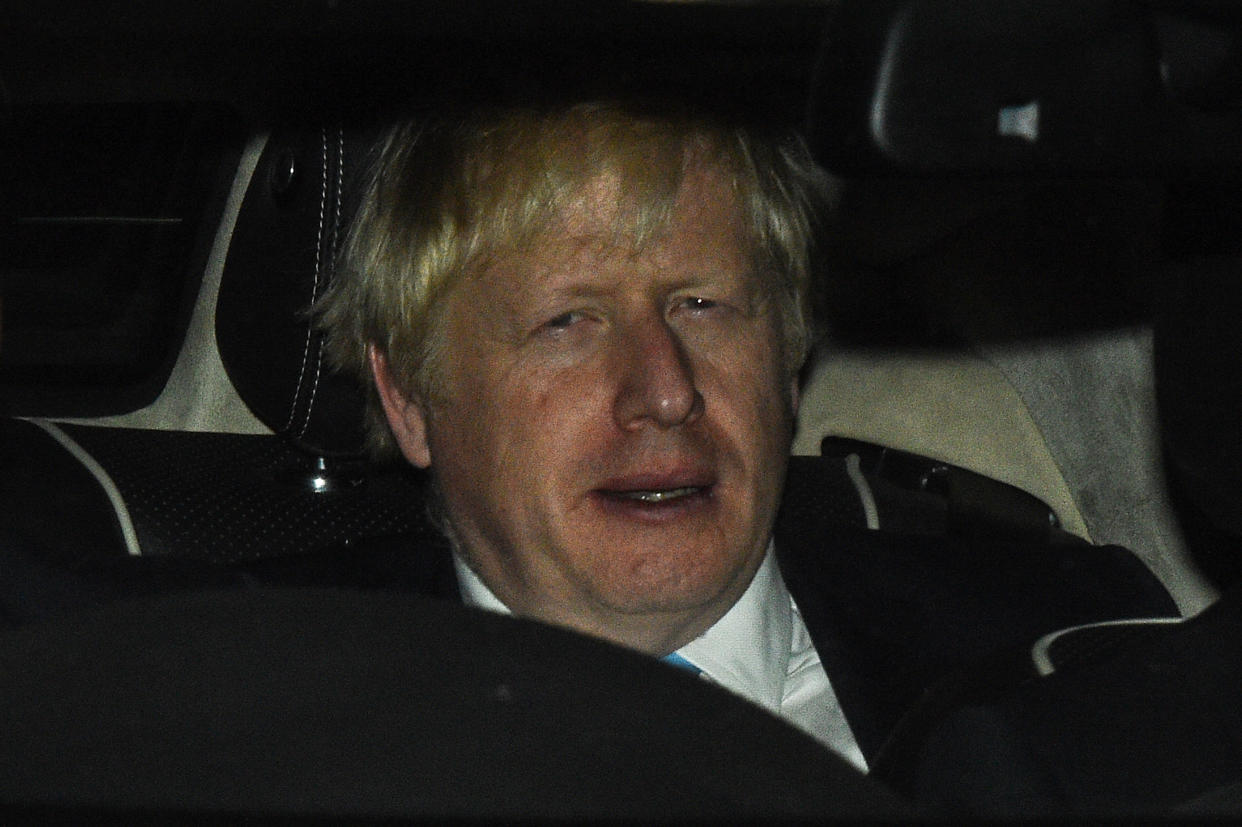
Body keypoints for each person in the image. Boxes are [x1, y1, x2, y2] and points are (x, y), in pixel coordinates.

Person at [309, 100, 1179, 778]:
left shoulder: (1078, 648)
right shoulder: (251, 702)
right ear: (409, 394)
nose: (667, 391)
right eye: (568, 321)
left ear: (789, 359)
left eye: (703, 304)